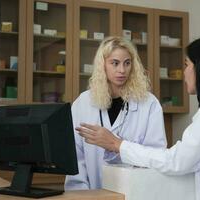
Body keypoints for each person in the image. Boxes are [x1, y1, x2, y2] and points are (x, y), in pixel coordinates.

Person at [77, 36, 200, 199]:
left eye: (186, 64)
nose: (184, 72)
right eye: (114, 63)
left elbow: (176, 161)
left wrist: (117, 144)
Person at [65, 36, 167, 190]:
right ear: (103, 65)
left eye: (127, 63)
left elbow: (156, 156)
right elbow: (76, 158)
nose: (122, 70)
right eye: (115, 63)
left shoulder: (148, 104)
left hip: (134, 193)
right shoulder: (83, 103)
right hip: (90, 195)